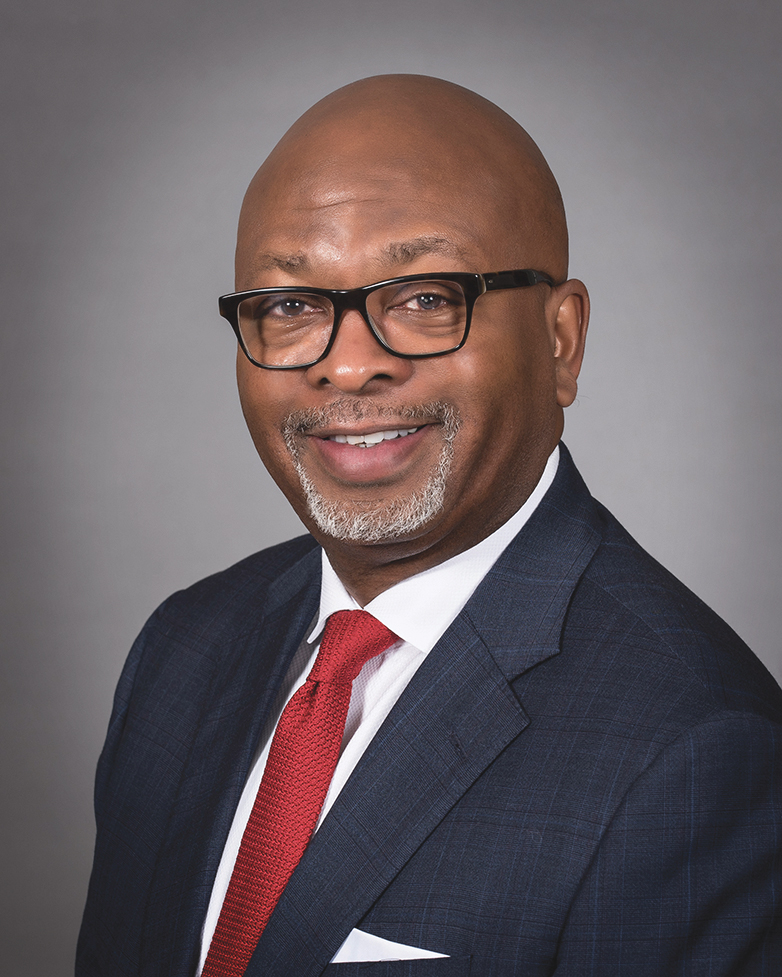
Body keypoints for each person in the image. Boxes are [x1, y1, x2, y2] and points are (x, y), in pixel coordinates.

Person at [76, 75, 782, 977]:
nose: (348, 366)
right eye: (291, 306)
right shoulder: (181, 651)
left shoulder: (696, 751)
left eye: (424, 297)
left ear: (560, 340)